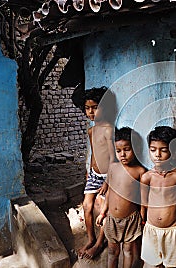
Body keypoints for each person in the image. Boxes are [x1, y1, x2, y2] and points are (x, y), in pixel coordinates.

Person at [95, 127, 146, 267]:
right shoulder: (113, 168)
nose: (122, 154)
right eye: (118, 151)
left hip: (131, 219)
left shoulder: (139, 171)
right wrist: (103, 213)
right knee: (112, 251)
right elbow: (109, 192)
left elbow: (142, 197)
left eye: (127, 149)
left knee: (128, 250)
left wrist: (142, 216)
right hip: (112, 218)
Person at [76, 86, 115, 259]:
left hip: (108, 177)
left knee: (104, 211)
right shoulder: (91, 131)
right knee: (87, 205)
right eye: (88, 108)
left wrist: (108, 182)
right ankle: (91, 238)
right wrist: (89, 170)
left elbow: (114, 159)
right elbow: (93, 152)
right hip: (94, 175)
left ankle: (99, 244)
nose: (91, 111)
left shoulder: (108, 130)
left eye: (95, 107)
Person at [140, 126, 176, 268]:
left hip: (172, 230)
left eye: (163, 150)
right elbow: (144, 201)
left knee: (173, 265)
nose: (158, 155)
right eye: (153, 150)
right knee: (151, 265)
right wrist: (143, 220)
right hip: (151, 229)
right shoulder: (147, 177)